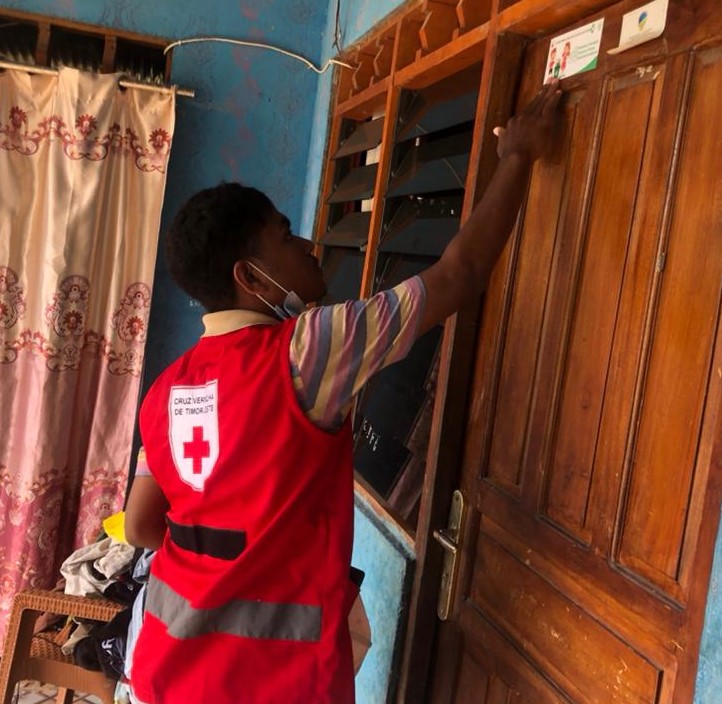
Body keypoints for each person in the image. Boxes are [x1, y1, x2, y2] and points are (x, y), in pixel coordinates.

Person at [124, 79, 563, 704]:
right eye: (285, 236)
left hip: (167, 672)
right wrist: (519, 157)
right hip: (278, 684)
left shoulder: (165, 392)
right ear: (250, 277)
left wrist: (224, 553)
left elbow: (143, 526)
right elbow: (459, 276)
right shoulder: (307, 349)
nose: (307, 245)